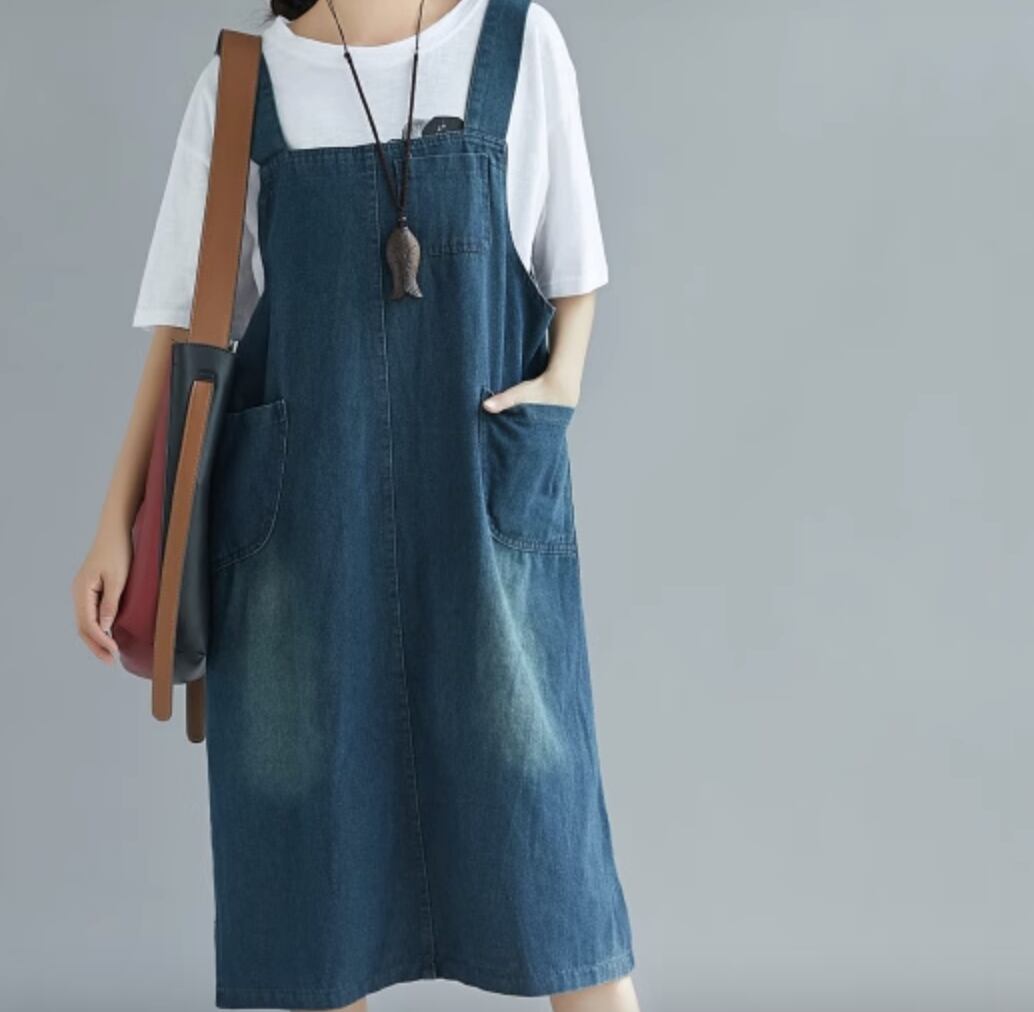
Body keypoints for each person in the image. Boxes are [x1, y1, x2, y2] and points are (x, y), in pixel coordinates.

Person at [71, 1, 640, 1009]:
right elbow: (184, 333)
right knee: (316, 893)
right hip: (304, 545)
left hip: (478, 518)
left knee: (552, 868)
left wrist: (562, 386)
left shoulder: (514, 41)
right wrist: (116, 519)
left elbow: (575, 264)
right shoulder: (241, 86)